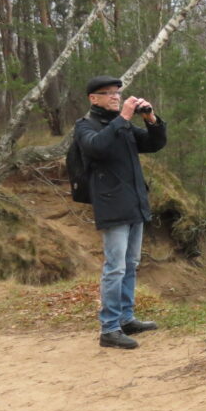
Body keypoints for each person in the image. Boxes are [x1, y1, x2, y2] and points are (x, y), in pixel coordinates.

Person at [75, 75, 167, 349]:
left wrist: (150, 119)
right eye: (109, 93)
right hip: (111, 205)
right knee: (114, 268)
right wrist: (124, 117)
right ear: (94, 98)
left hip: (134, 202)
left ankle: (126, 318)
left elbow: (153, 144)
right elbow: (97, 147)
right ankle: (109, 328)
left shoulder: (121, 126)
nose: (115, 96)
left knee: (130, 264)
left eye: (118, 92)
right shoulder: (85, 126)